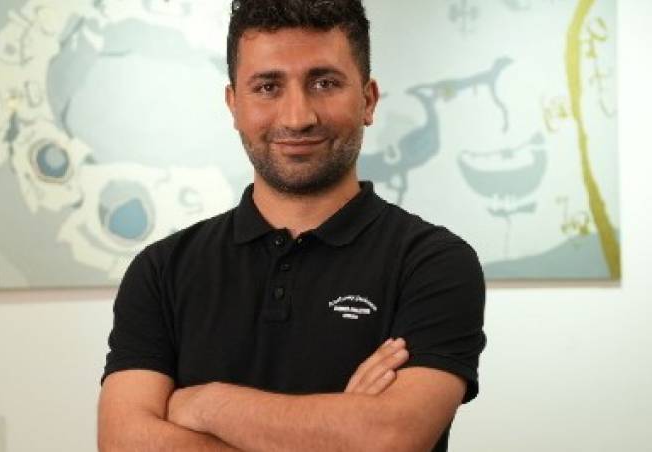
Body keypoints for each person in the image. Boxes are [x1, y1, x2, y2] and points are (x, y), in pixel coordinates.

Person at [98, 1, 486, 451]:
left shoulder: (433, 263)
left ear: (368, 100)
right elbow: (123, 441)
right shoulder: (162, 270)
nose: (298, 117)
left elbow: (389, 436)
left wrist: (207, 405)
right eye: (268, 87)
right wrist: (339, 431)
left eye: (325, 83)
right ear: (234, 104)